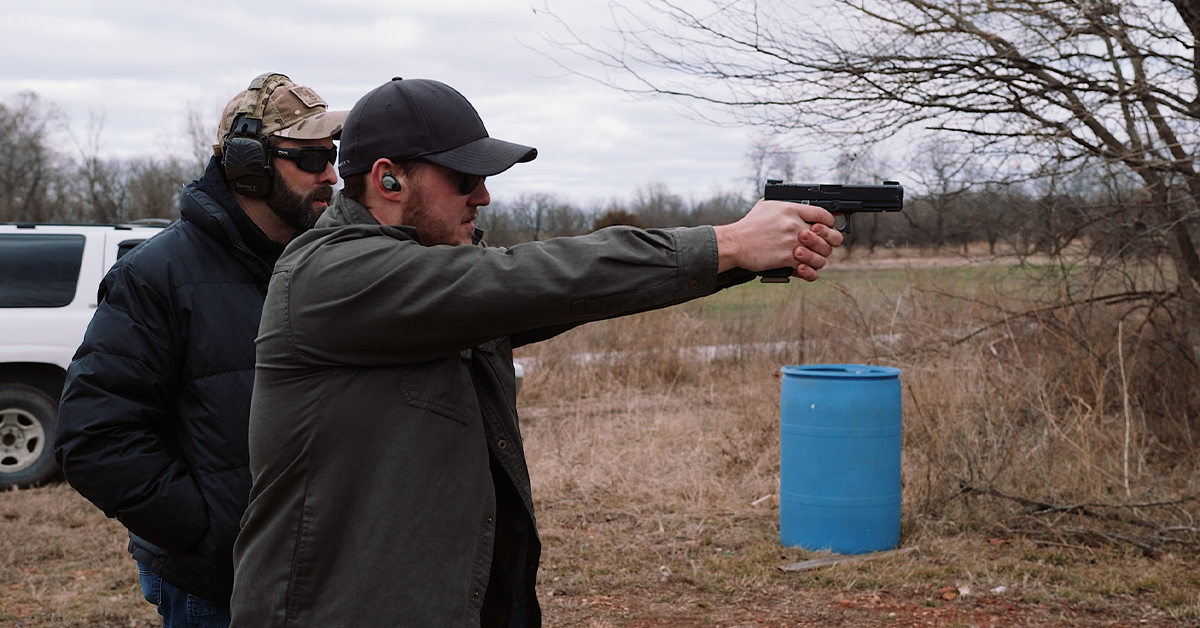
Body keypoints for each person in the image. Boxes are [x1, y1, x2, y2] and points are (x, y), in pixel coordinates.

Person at [229, 77, 843, 628]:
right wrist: (729, 243)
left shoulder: (430, 287)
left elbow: (560, 295)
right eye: (465, 179)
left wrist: (752, 256)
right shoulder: (333, 274)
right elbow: (537, 278)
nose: (485, 198)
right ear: (388, 178)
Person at [55, 73, 347, 628]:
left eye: (331, 156)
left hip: (320, 580)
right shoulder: (156, 275)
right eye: (309, 160)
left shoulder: (321, 265)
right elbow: (95, 438)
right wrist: (216, 532)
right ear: (248, 165)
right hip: (215, 589)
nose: (329, 174)